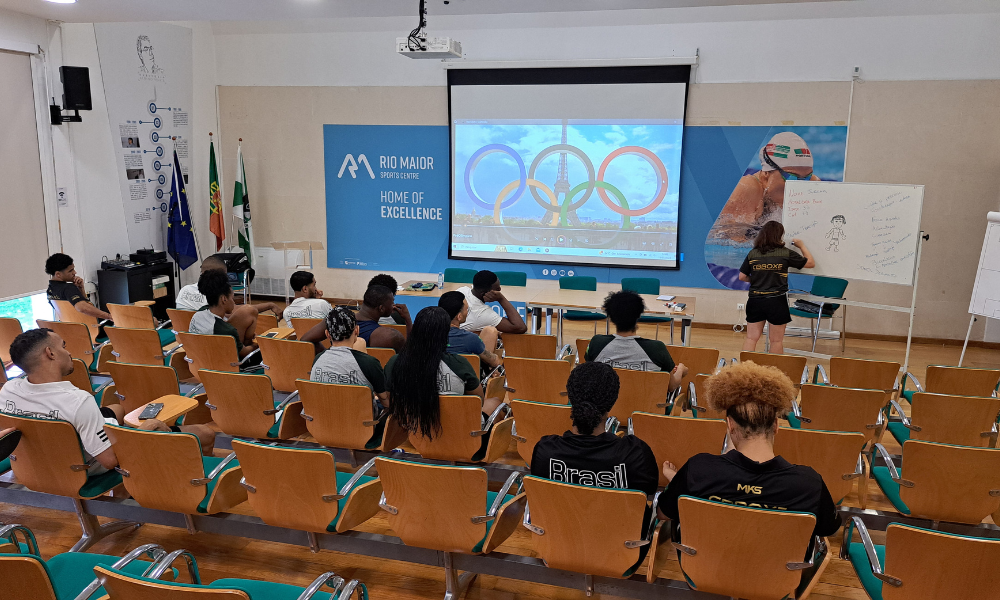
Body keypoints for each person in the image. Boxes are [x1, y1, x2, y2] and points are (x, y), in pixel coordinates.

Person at [656, 361, 841, 591]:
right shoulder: (809, 483)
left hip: (706, 571)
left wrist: (680, 481)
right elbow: (829, 528)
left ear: (730, 425)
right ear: (775, 425)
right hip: (776, 583)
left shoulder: (699, 470)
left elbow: (663, 512)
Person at [0, 329, 215, 474]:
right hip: (82, 468)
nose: (68, 351)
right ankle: (180, 485)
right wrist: (145, 430)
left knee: (117, 409)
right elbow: (110, 460)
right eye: (63, 346)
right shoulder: (78, 401)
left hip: (40, 466)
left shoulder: (8, 390)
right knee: (204, 434)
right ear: (50, 353)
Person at [705, 131, 821, 289]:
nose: (801, 184)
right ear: (766, 173)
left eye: (807, 177)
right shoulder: (748, 189)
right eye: (792, 177)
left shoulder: (814, 185)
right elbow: (728, 247)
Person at [531, 361, 658, 495]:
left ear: (570, 396)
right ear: (613, 400)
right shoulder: (636, 456)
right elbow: (649, 493)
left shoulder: (545, 452)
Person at [386, 307, 501, 440]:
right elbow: (477, 402)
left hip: (416, 433)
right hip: (459, 434)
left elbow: (390, 397)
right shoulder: (459, 363)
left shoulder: (395, 361)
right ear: (445, 334)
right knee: (495, 402)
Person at [585, 290, 688, 391]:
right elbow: (672, 386)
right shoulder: (657, 348)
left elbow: (588, 375)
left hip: (604, 406)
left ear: (610, 316)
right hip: (645, 407)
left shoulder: (596, 343)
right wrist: (681, 369)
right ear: (639, 315)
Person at [738, 220, 815, 354]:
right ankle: (774, 372)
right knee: (776, 341)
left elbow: (742, 277)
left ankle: (744, 370)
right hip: (777, 301)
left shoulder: (753, 253)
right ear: (779, 235)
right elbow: (810, 263)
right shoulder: (785, 253)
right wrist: (801, 246)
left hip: (755, 300)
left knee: (751, 338)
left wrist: (755, 279)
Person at [310, 306, 388, 409]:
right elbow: (386, 401)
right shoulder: (370, 363)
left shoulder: (317, 359)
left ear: (327, 334)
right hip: (360, 423)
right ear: (357, 330)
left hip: (322, 420)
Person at [175, 256, 282, 327]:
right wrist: (269, 305)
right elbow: (239, 311)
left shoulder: (184, 290)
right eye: (224, 275)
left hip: (186, 337)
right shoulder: (214, 293)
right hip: (214, 339)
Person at [188, 270, 261, 365]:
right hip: (224, 369)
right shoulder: (227, 330)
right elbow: (244, 353)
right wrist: (257, 344)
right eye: (232, 298)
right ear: (224, 299)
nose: (234, 302)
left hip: (198, 364)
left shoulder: (200, 312)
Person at [438, 291, 501, 369]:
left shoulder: (427, 335)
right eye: (467, 309)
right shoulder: (471, 339)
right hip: (466, 380)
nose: (467, 312)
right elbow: (494, 362)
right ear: (459, 317)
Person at [45, 253, 112, 322]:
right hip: (88, 327)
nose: (75, 272)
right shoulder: (68, 288)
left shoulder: (50, 290)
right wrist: (109, 316)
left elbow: (81, 305)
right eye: (70, 271)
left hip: (71, 327)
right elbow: (82, 307)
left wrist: (81, 289)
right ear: (58, 274)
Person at [457, 270, 528, 334]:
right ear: (484, 293)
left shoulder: (462, 290)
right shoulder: (482, 314)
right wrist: (501, 299)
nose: (500, 290)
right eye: (497, 289)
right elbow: (520, 327)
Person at [354, 285, 410, 352]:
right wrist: (408, 319)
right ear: (381, 308)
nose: (394, 305)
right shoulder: (390, 336)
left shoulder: (344, 323)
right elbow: (410, 355)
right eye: (392, 302)